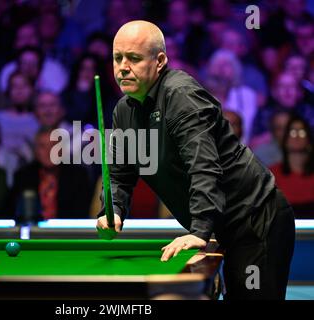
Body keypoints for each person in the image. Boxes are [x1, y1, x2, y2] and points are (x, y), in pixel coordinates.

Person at [96, 20, 295, 300]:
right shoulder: (123, 111)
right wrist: (113, 209)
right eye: (118, 58)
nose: (123, 67)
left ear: (160, 60)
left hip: (256, 217)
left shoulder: (180, 94)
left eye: (134, 58)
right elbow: (119, 174)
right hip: (227, 224)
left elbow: (203, 166)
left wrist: (200, 230)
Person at [269, 116, 314, 218]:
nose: (297, 136)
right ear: (285, 139)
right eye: (292, 132)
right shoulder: (272, 174)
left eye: (302, 132)